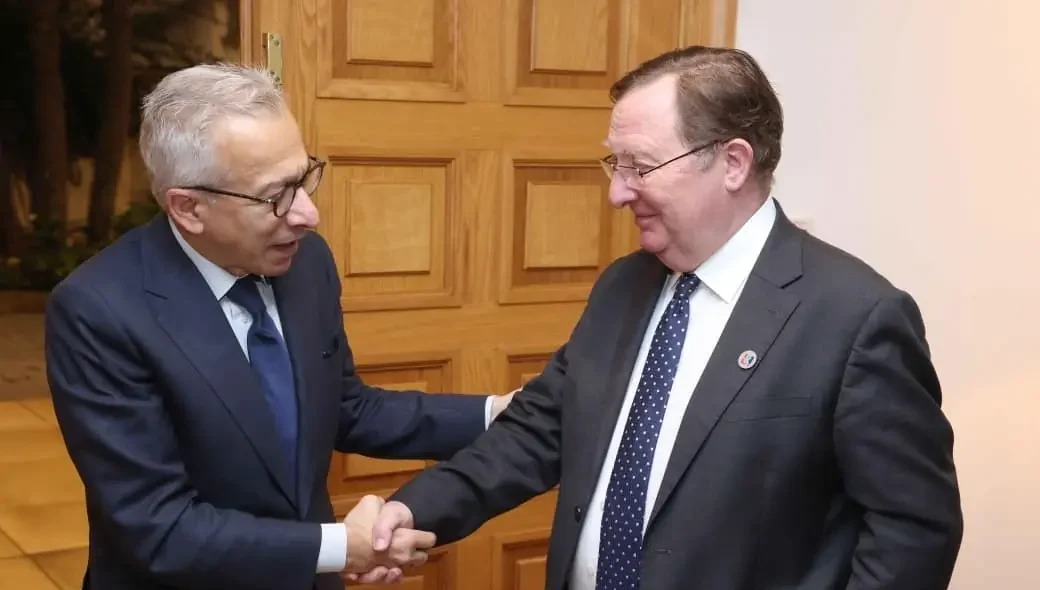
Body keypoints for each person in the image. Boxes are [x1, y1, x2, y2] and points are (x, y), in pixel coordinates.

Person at [365, 46, 964, 589]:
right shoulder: (623, 286)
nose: (617, 193)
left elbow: (912, 532)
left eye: (640, 166)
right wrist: (414, 511)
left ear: (732, 162)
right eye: (615, 164)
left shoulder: (854, 317)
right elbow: (539, 430)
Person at [43, 63, 513, 590]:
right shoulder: (99, 311)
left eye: (305, 178)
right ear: (189, 208)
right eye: (276, 196)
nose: (308, 214)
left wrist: (497, 413)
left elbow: (345, 407)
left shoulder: (306, 263)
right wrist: (341, 548)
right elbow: (158, 529)